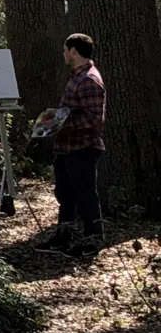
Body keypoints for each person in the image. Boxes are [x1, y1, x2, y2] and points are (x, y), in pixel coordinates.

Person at [35, 33, 106, 258]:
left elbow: (94, 119)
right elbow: (71, 111)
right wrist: (53, 118)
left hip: (83, 148)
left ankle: (92, 240)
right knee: (65, 194)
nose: (64, 54)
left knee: (85, 195)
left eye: (66, 50)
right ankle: (64, 236)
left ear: (74, 50)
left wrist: (61, 124)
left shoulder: (89, 80)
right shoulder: (76, 77)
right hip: (66, 148)